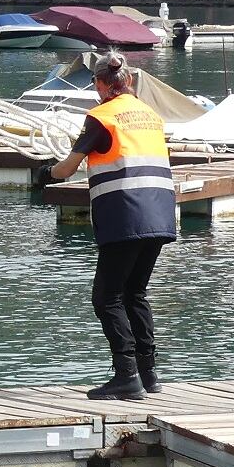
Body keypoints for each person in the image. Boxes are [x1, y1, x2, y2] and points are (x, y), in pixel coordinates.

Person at [47, 51, 176, 402]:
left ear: (101, 84)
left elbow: (67, 169)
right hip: (161, 212)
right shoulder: (150, 115)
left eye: (96, 83)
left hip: (124, 214)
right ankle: (149, 374)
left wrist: (48, 169)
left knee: (106, 297)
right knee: (135, 293)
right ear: (129, 81)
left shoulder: (100, 117)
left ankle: (126, 376)